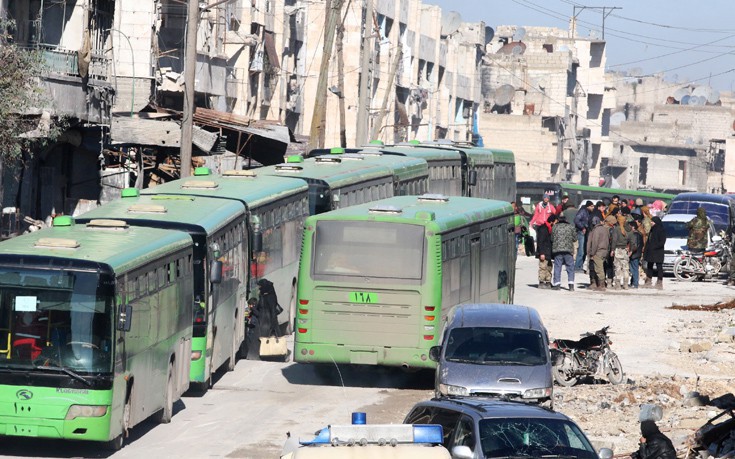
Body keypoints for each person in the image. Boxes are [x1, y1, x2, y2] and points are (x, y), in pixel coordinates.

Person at [587, 215, 615, 291]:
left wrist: (592, 253)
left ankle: (601, 285)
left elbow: (595, 242)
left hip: (598, 251)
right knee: (601, 267)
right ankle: (600, 283)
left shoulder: (596, 230)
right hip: (605, 251)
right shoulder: (605, 229)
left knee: (599, 269)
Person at [551, 214, 576, 291]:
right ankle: (571, 285)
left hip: (557, 250)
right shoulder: (571, 227)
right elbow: (575, 238)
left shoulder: (555, 227)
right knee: (570, 267)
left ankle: (557, 284)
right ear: (566, 220)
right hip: (568, 250)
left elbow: (552, 238)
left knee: (557, 267)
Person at [643, 217, 667, 289]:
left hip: (658, 251)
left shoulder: (661, 230)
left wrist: (654, 247)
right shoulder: (652, 229)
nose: (651, 223)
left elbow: (662, 242)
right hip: (650, 251)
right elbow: (649, 240)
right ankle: (648, 281)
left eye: (652, 222)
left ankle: (659, 282)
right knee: (649, 266)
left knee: (659, 267)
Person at [536, 214, 556, 289]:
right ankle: (541, 282)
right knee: (543, 267)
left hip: (549, 252)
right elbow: (540, 242)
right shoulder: (543, 229)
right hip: (544, 251)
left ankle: (548, 282)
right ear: (552, 221)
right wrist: (541, 253)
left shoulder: (550, 228)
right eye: (555, 222)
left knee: (549, 267)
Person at [611, 215, 631, 290]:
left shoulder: (616, 229)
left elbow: (614, 240)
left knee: (618, 268)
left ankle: (618, 285)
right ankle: (626, 285)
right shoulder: (628, 229)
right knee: (626, 268)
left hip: (618, 250)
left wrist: (612, 250)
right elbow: (631, 239)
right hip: (625, 249)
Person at [574, 201, 595, 272]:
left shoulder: (589, 212)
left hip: (586, 231)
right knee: (581, 250)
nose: (593, 208)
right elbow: (576, 220)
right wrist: (582, 227)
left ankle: (580, 265)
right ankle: (577, 267)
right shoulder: (583, 211)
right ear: (588, 206)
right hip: (581, 231)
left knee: (585, 250)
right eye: (591, 206)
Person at [629, 220, 644, 289]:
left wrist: (631, 252)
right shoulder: (640, 234)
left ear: (633, 227)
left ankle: (635, 284)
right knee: (634, 269)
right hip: (638, 253)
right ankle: (633, 282)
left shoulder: (634, 235)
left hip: (634, 254)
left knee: (633, 269)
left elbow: (635, 245)